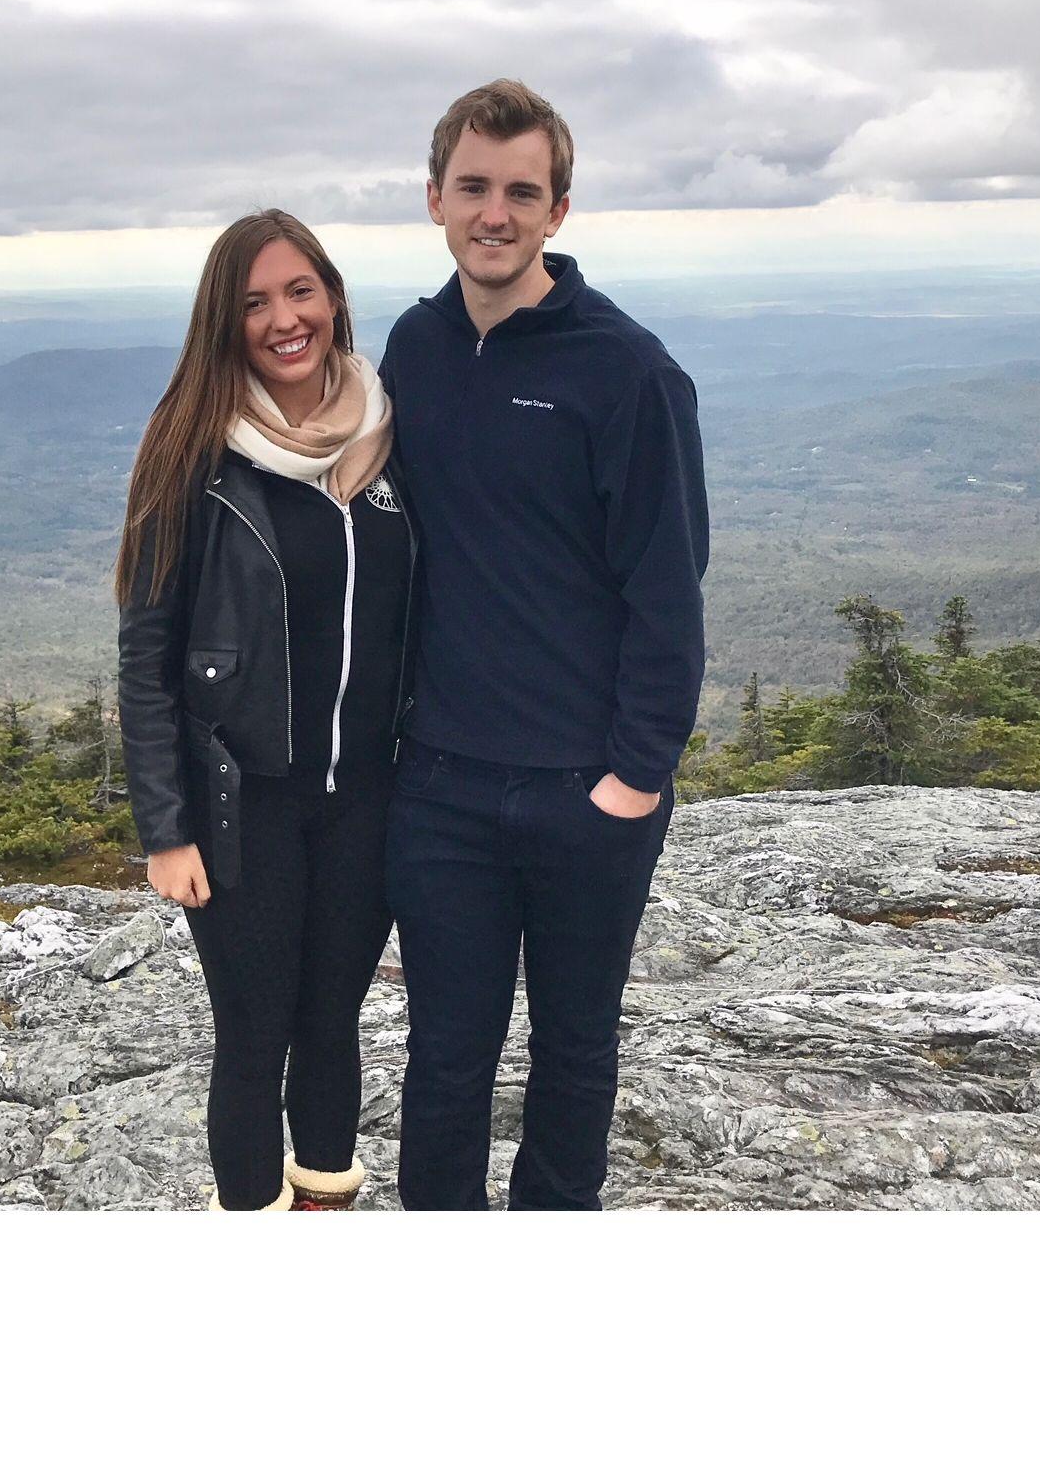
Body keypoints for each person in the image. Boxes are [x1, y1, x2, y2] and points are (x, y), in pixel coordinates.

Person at [380, 80, 709, 1211]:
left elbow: (668, 587)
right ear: (435, 198)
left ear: (559, 213)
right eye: (473, 186)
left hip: (585, 789)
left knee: (574, 1056)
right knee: (445, 1063)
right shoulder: (413, 348)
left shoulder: (627, 372)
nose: (496, 212)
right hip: (440, 788)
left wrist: (633, 778)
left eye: (523, 191)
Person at [117, 208, 412, 1211]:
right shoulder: (196, 450)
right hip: (243, 810)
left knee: (332, 1025)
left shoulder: (388, 435)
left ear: (332, 296)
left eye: (300, 292)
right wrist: (165, 829)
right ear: (224, 322)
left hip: (368, 799)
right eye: (255, 303)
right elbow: (147, 650)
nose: (284, 319)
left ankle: (325, 1212)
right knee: (255, 1035)